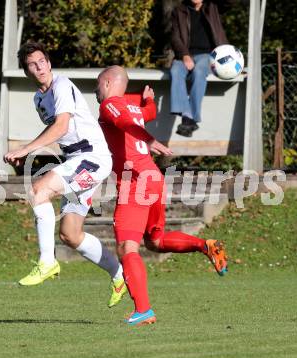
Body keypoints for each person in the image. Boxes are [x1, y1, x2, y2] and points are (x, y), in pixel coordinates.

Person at [96, 65, 228, 326]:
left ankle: (143, 310)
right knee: (154, 242)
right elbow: (148, 112)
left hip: (136, 182)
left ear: (109, 83)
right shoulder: (133, 106)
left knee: (127, 247)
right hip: (154, 178)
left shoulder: (110, 104)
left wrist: (150, 139)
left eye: (98, 85)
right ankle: (207, 245)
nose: (95, 91)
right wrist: (148, 100)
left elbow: (122, 122)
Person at [4, 42, 127, 308]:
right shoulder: (39, 99)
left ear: (49, 63)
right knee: (70, 234)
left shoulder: (62, 85)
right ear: (27, 72)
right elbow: (59, 131)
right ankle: (119, 274)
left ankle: (47, 261)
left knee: (39, 190)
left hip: (92, 158)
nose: (39, 68)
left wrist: (27, 148)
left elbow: (61, 127)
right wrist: (29, 149)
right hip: (79, 161)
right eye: (32, 65)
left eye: (42, 62)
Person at [170, 0, 234, 137]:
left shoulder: (213, 6)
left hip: (209, 55)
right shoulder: (178, 11)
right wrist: (184, 55)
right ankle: (188, 118)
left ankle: (188, 118)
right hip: (186, 54)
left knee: (199, 71)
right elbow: (175, 37)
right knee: (175, 70)